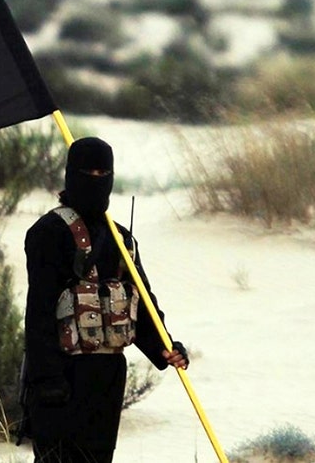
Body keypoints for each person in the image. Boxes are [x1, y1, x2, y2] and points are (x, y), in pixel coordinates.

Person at [21, 136, 189, 463]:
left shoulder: (122, 238)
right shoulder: (47, 233)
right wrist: (47, 379)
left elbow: (142, 305)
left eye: (103, 174)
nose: (96, 181)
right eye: (88, 173)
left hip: (108, 376)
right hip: (62, 376)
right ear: (71, 175)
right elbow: (38, 312)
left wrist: (167, 347)